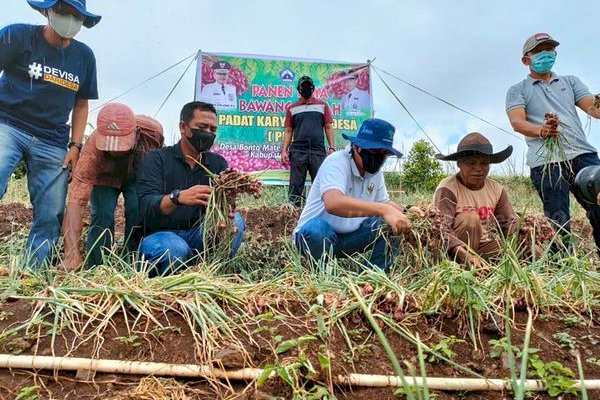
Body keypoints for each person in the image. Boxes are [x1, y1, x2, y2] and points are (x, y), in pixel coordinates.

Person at [0, 0, 101, 266]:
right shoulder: (17, 36)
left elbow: (81, 104)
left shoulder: (84, 57)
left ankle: (30, 274)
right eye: (62, 11)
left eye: (76, 15)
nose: (69, 19)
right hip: (8, 123)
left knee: (51, 212)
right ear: (47, 11)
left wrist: (75, 146)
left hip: (53, 138)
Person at [506, 33, 600, 252]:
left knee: (598, 205)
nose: (546, 54)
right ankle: (566, 264)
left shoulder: (570, 82)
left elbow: (594, 110)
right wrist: (542, 130)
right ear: (526, 60)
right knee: (558, 217)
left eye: (549, 49)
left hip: (582, 155)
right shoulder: (518, 90)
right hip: (546, 162)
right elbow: (517, 122)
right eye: (539, 50)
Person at [137, 101, 245, 277]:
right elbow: (146, 205)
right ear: (183, 127)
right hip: (162, 236)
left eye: (213, 129)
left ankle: (215, 275)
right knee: (175, 250)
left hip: (198, 235)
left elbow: (225, 205)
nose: (208, 133)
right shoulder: (157, 159)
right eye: (202, 127)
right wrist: (177, 197)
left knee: (237, 222)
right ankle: (174, 279)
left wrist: (225, 216)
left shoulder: (218, 164)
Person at [293, 118, 411, 272]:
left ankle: (372, 279)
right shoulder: (336, 162)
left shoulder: (374, 172)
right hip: (317, 238)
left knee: (393, 224)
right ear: (357, 147)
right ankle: (322, 277)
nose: (379, 158)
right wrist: (383, 210)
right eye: (374, 151)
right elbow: (333, 203)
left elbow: (384, 202)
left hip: (350, 239)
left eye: (384, 154)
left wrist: (406, 211)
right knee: (316, 230)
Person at [62, 103, 164, 271]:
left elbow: (160, 164)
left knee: (137, 210)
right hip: (105, 176)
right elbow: (76, 202)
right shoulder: (91, 153)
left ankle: (132, 262)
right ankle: (97, 266)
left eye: (121, 145)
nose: (115, 151)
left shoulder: (151, 132)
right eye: (109, 146)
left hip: (137, 173)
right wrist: (71, 254)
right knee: (102, 214)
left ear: (134, 133)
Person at [434, 132, 518, 268]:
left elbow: (508, 222)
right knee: (470, 219)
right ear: (459, 164)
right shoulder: (448, 188)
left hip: (484, 246)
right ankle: (462, 267)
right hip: (454, 249)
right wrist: (464, 254)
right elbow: (442, 228)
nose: (478, 169)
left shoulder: (496, 189)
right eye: (471, 163)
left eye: (484, 163)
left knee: (526, 250)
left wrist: (525, 233)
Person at [281, 76, 335, 207]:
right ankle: (293, 213)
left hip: (318, 151)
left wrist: (332, 148)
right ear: (298, 90)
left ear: (313, 89)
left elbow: (328, 127)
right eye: (303, 87)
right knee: (296, 184)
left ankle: (320, 210)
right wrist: (284, 151)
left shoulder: (322, 106)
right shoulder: (292, 108)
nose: (305, 89)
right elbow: (288, 131)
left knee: (320, 183)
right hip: (298, 151)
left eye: (308, 87)